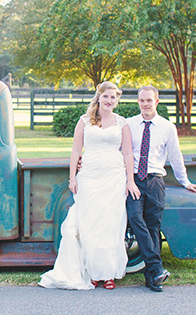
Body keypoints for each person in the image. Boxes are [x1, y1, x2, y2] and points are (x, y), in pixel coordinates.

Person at [39, 81, 140, 290]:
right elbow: (76, 151)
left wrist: (130, 180)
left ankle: (109, 274)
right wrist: (72, 178)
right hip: (90, 176)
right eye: (106, 96)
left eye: (113, 97)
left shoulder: (122, 123)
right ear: (99, 97)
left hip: (114, 176)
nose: (109, 101)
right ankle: (93, 273)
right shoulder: (85, 121)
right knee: (90, 224)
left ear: (117, 100)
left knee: (111, 224)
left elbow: (128, 153)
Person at [126, 85, 196, 292]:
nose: (145, 104)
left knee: (153, 226)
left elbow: (175, 156)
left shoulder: (167, 127)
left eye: (149, 100)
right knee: (135, 218)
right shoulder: (128, 125)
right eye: (142, 100)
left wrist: (185, 182)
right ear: (138, 102)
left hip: (154, 181)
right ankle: (156, 266)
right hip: (133, 180)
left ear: (157, 102)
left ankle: (151, 278)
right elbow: (119, 152)